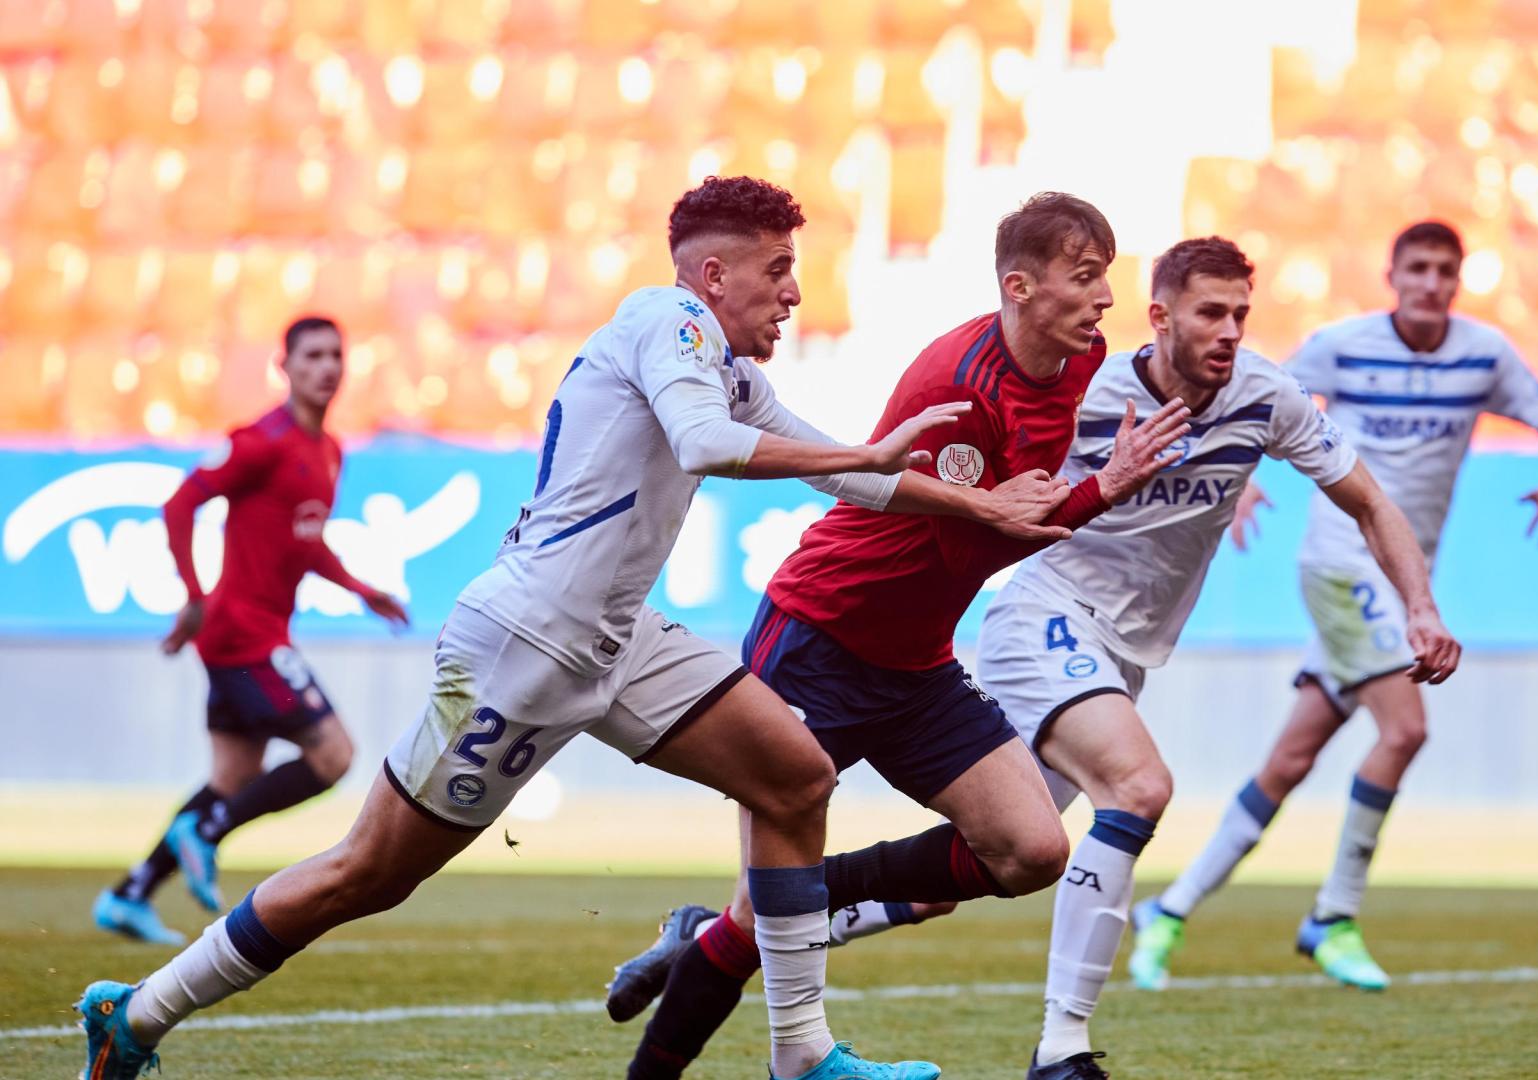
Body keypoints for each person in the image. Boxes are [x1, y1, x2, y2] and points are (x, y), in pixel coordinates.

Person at [76, 175, 1073, 1080]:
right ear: (714, 275)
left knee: (796, 776)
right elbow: (706, 445)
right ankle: (140, 1012)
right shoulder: (666, 320)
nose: (794, 293)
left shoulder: (724, 366)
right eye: (777, 270)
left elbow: (844, 474)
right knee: (365, 874)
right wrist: (870, 456)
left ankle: (802, 1053)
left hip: (615, 637)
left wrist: (976, 504)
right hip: (526, 646)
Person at [621, 237, 1462, 1079]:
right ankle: (1061, 1048)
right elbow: (975, 532)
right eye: (1212, 312)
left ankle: (730, 924)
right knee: (1138, 787)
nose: (1232, 331)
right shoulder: (1071, 387)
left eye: (1242, 313)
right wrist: (1101, 486)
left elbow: (1369, 501)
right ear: (1161, 316)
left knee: (1011, 857)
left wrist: (1420, 608)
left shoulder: (1255, 396)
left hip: (992, 655)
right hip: (1006, 623)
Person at [614, 192, 1191, 1080]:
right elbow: (972, 543)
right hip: (819, 639)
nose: (1105, 298)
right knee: (758, 918)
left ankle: (795, 897)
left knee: (1032, 851)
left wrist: (1089, 486)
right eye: (1085, 277)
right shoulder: (958, 385)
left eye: (1105, 277)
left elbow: (1012, 509)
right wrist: (1100, 490)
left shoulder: (1080, 361)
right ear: (1020, 286)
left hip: (918, 662)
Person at [1131, 219, 1538, 994]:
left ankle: (1168, 910)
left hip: (1398, 579)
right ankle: (1333, 916)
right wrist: (1244, 478)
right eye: (1418, 268)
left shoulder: (1484, 354)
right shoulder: (1345, 345)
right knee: (1405, 730)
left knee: (1289, 762)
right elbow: (1253, 396)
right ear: (1393, 276)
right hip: (1341, 565)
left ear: (1458, 281)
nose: (1431, 283)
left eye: (1445, 270)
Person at [93, 316, 409, 947]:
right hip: (243, 634)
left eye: (335, 355)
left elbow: (306, 541)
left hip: (254, 632)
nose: (326, 367)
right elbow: (180, 503)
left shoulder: (329, 451)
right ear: (283, 367)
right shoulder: (260, 442)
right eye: (312, 356)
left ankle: (129, 894)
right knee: (333, 756)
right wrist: (193, 597)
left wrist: (361, 589)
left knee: (232, 777)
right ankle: (207, 832)